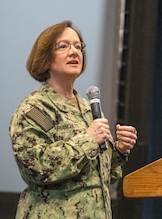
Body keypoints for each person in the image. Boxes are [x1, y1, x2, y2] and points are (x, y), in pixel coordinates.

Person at [9, 20, 137, 219]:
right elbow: (37, 167)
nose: (74, 52)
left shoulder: (88, 108)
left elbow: (99, 176)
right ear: (45, 57)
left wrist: (118, 150)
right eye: (63, 46)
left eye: (78, 46)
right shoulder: (35, 110)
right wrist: (88, 140)